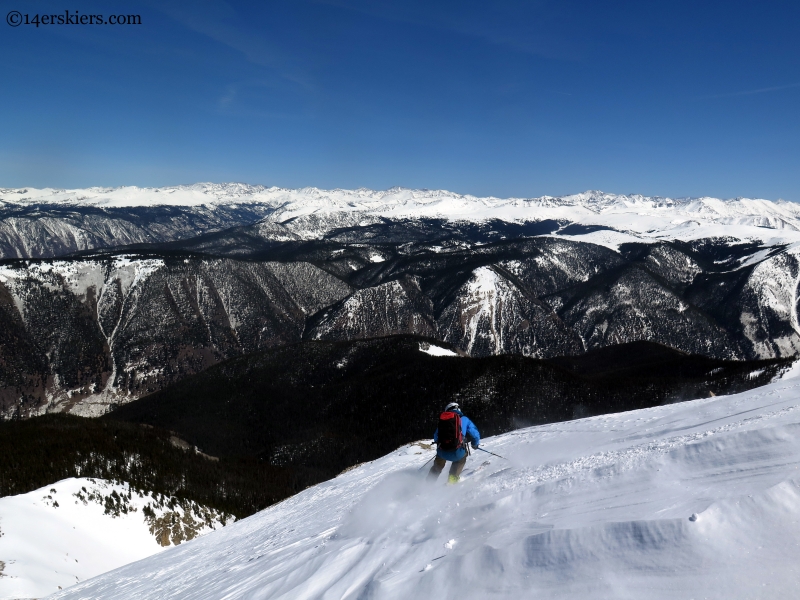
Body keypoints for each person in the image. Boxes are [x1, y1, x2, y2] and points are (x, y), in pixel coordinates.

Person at [428, 402, 480, 484]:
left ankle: (428, 483)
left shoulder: (443, 420)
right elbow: (475, 434)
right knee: (462, 457)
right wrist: (474, 444)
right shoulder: (464, 419)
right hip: (457, 453)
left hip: (442, 451)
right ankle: (452, 480)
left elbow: (436, 436)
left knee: (437, 466)